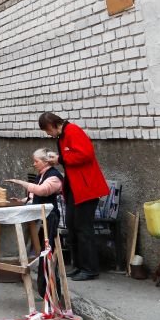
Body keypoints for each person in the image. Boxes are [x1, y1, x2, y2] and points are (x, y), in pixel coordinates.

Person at [38, 112, 108, 281]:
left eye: (48, 130)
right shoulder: (62, 136)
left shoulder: (73, 131)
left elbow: (86, 154)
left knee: (83, 228)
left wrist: (60, 158)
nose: (48, 134)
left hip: (86, 188)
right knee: (72, 225)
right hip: (74, 188)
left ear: (54, 125)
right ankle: (79, 265)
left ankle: (90, 268)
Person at [6, 148, 63, 298]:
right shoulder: (42, 174)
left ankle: (52, 292)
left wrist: (20, 182)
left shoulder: (54, 176)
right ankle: (44, 290)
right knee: (41, 253)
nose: (34, 164)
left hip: (49, 219)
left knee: (47, 254)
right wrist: (23, 201)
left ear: (45, 162)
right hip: (40, 217)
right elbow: (34, 196)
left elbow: (42, 191)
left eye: (36, 161)